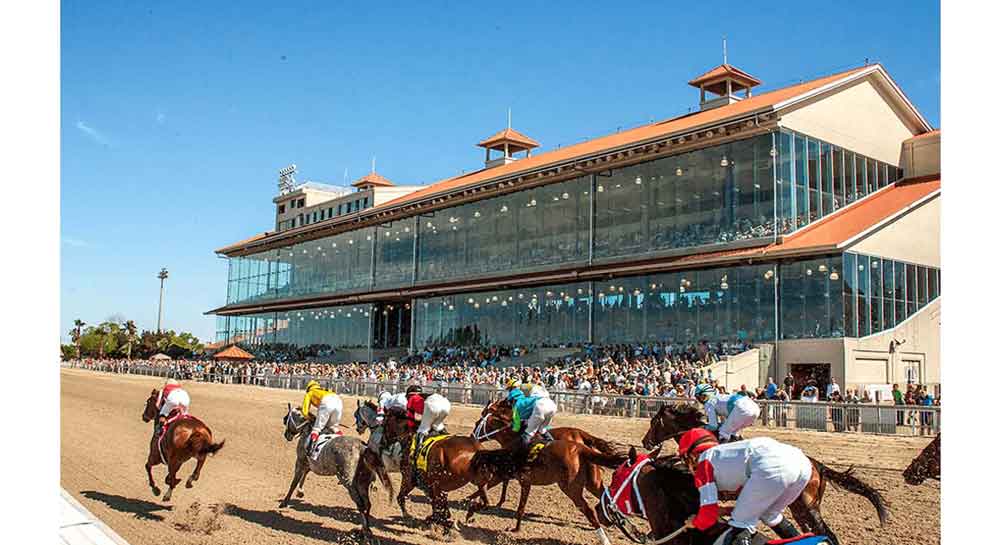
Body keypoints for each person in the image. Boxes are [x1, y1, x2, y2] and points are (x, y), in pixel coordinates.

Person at [678, 428, 812, 545]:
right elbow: (754, 504)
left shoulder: (704, 462)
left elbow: (708, 514)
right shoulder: (725, 455)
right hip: (802, 463)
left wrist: (695, 523)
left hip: (771, 466)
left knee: (740, 526)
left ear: (691, 456)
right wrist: (724, 511)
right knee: (770, 514)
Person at [694, 383, 760, 442]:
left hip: (741, 408)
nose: (700, 399)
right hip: (755, 408)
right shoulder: (719, 396)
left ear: (705, 395)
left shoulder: (709, 402)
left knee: (723, 433)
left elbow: (713, 426)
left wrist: (702, 427)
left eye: (700, 397)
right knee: (733, 433)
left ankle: (721, 455)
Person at [301, 380, 342, 453]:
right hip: (338, 400)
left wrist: (309, 418)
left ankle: (311, 449)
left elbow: (304, 411)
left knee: (316, 429)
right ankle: (341, 440)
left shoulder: (310, 393)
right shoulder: (324, 390)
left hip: (326, 401)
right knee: (334, 427)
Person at [512, 382, 557, 447]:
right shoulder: (537, 390)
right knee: (542, 429)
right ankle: (553, 444)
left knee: (529, 432)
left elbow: (517, 424)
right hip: (552, 404)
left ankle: (523, 453)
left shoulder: (518, 402)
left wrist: (514, 429)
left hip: (541, 405)